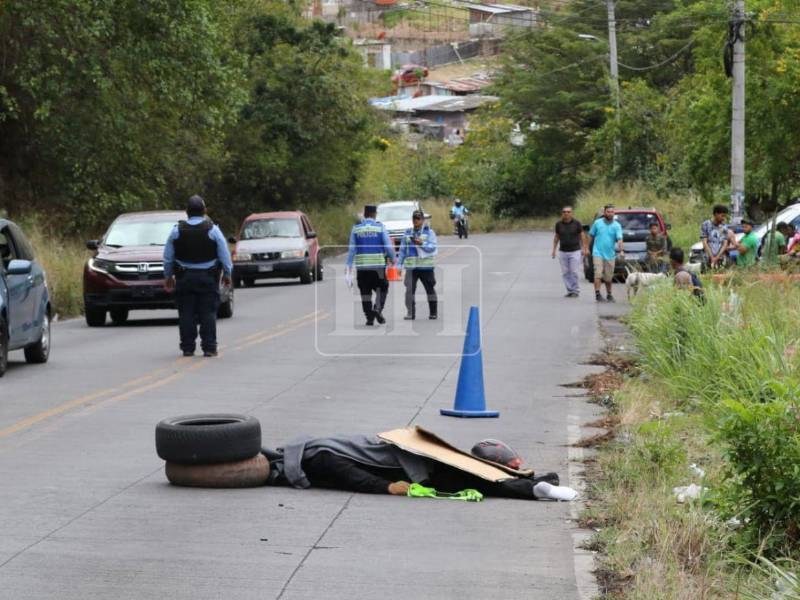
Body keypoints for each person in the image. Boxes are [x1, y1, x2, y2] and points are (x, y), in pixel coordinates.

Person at [262, 435, 577, 501]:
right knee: (473, 476)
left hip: (407, 465)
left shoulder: (318, 457)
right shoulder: (314, 450)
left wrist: (385, 488)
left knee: (473, 480)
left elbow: (351, 476)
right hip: (407, 461)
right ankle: (536, 484)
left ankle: (537, 487)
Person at [163, 195, 233, 357]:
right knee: (208, 312)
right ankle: (209, 347)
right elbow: (225, 257)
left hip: (184, 278)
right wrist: (227, 275)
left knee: (186, 313)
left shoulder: (176, 231)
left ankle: (188, 347)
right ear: (205, 211)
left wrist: (168, 277)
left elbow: (167, 258)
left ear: (186, 212)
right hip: (207, 278)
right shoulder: (213, 230)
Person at [345, 205, 396, 326]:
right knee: (382, 289)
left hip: (362, 268)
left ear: (364, 214)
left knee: (365, 292)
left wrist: (348, 268)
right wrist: (394, 259)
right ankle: (377, 309)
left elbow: (352, 250)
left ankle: (369, 318)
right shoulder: (380, 228)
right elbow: (388, 247)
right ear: (374, 214)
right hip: (378, 267)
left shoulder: (356, 229)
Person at [398, 210, 438, 320]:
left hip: (426, 267)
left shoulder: (429, 232)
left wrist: (422, 243)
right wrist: (399, 266)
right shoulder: (407, 233)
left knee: (430, 289)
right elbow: (402, 251)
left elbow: (432, 247)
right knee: (409, 290)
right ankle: (411, 313)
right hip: (411, 267)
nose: (415, 220)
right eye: (414, 218)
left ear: (423, 220)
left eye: (418, 218)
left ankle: (433, 312)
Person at [588, 205, 624, 302]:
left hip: (610, 254)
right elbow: (591, 235)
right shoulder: (597, 223)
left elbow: (620, 239)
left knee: (608, 278)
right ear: (604, 213)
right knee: (598, 274)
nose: (610, 213)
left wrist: (621, 250)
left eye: (612, 212)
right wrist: (587, 248)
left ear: (614, 213)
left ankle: (609, 294)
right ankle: (598, 294)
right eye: (608, 212)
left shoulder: (617, 225)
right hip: (597, 252)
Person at [551, 206, 586, 298]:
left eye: (568, 212)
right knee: (565, 272)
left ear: (571, 213)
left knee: (574, 271)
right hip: (563, 251)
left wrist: (584, 248)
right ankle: (570, 290)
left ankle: (575, 290)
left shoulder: (577, 223)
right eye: (564, 212)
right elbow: (557, 237)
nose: (566, 213)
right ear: (562, 213)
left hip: (575, 251)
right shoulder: (559, 224)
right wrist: (554, 250)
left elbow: (582, 235)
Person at [700, 204, 732, 269]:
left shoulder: (724, 227)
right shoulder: (706, 224)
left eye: (725, 216)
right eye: (722, 216)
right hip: (707, 258)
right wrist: (712, 257)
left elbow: (724, 244)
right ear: (716, 214)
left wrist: (717, 257)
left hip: (720, 258)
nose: (723, 218)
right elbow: (705, 242)